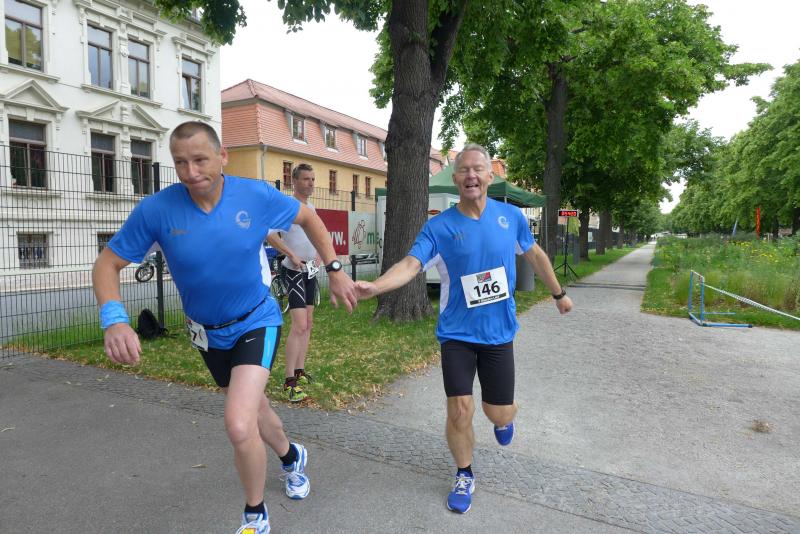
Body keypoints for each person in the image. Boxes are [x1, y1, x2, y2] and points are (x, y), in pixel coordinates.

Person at [92, 121, 356, 534]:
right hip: (207, 334)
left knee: (237, 422)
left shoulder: (253, 195)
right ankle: (292, 458)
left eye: (200, 160)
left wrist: (335, 269)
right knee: (255, 410)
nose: (191, 172)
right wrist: (114, 319)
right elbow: (107, 263)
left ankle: (255, 515)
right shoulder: (157, 210)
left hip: (256, 320)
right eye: (181, 163)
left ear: (223, 157)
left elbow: (308, 217)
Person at [355, 143, 573, 514]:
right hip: (456, 334)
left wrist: (559, 294)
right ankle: (464, 473)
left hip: (498, 333)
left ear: (490, 176)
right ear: (455, 178)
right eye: (464, 170)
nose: (471, 175)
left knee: (498, 413)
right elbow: (411, 264)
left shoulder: (511, 218)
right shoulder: (439, 227)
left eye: (478, 169)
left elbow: (534, 254)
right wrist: (375, 287)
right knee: (459, 409)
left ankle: (504, 418)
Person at [266, 163, 321, 402]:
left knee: (308, 323)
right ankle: (289, 381)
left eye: (313, 179)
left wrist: (319, 256)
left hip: (310, 271)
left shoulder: (311, 207)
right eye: (306, 179)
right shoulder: (288, 207)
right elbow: (269, 233)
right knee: (298, 325)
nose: (311, 183)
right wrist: (290, 254)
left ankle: (299, 370)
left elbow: (317, 236)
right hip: (294, 271)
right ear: (294, 181)